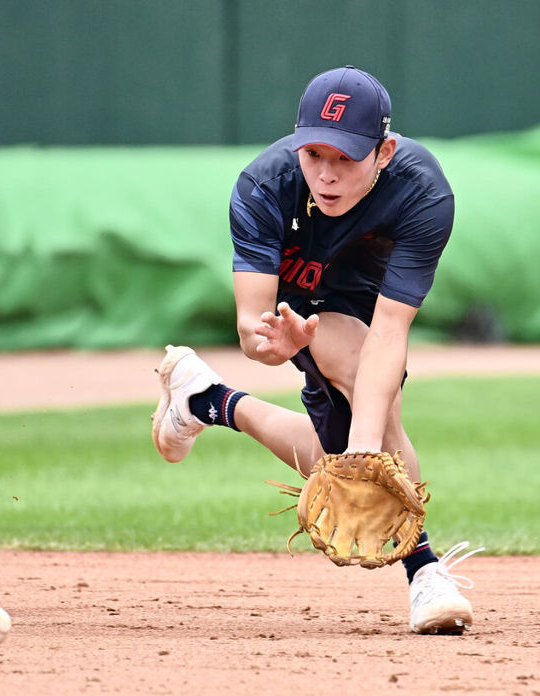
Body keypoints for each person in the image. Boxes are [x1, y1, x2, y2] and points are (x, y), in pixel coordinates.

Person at [151, 65, 483, 634]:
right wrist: (272, 346)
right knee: (368, 424)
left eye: (346, 159)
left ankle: (207, 400)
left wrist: (359, 455)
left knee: (342, 452)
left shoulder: (423, 193)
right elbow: (252, 327)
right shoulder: (263, 187)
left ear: (385, 152)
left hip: (365, 298)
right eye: (314, 156)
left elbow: (390, 331)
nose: (326, 176)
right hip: (295, 302)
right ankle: (424, 572)